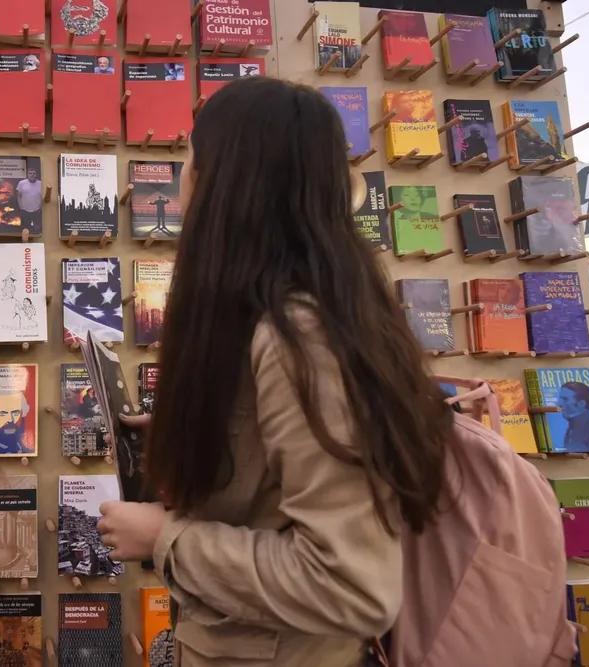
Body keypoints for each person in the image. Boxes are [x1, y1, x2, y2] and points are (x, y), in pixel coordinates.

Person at [96, 77, 453, 666]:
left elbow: (350, 585)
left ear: (219, 182)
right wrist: (204, 436)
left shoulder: (302, 335)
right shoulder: (278, 313)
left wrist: (165, 539)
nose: (181, 181)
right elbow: (278, 479)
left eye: (190, 161)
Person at [560, 381, 589, 451]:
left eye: (565, 399)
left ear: (581, 403)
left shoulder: (588, 429)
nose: (559, 404)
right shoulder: (573, 426)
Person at [15, 167, 43, 232]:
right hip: (25, 211)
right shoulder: (21, 183)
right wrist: (21, 207)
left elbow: (43, 196)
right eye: (30, 173)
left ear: (36, 175)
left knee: (37, 229)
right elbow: (18, 196)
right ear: (27, 174)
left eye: (34, 173)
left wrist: (40, 207)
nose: (32, 175)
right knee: (25, 230)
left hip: (37, 211)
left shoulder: (41, 184)